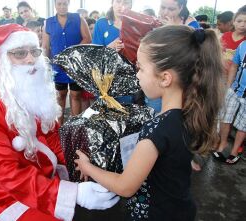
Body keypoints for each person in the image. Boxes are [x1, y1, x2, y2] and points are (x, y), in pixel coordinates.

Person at [0, 24, 119, 221]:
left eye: (34, 52)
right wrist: (72, 194)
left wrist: (82, 163)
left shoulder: (26, 88)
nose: (30, 59)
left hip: (36, 173)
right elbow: (3, 174)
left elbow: (52, 135)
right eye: (19, 53)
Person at [75, 25, 223, 220]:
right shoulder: (189, 115)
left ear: (165, 78)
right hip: (179, 208)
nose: (137, 74)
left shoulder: (156, 131)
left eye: (141, 68)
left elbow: (125, 186)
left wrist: (88, 167)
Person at [42, 0, 91, 124]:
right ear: (55, 5)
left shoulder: (78, 18)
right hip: (57, 67)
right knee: (60, 96)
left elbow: (87, 38)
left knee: (76, 95)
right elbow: (45, 47)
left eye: (65, 3)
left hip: (76, 66)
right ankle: (59, 128)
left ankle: (74, 128)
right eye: (59, 4)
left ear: (68, 4)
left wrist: (70, 54)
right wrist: (45, 66)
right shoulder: (48, 22)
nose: (62, 6)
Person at [213, 40, 246, 164]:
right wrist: (229, 87)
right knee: (224, 117)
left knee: (243, 125)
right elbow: (234, 65)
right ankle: (222, 145)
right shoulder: (243, 45)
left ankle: (234, 151)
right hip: (235, 90)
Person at [220, 6, 246, 81]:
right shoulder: (225, 35)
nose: (242, 25)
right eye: (239, 21)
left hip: (235, 77)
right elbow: (218, 52)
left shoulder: (245, 42)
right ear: (233, 22)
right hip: (220, 72)